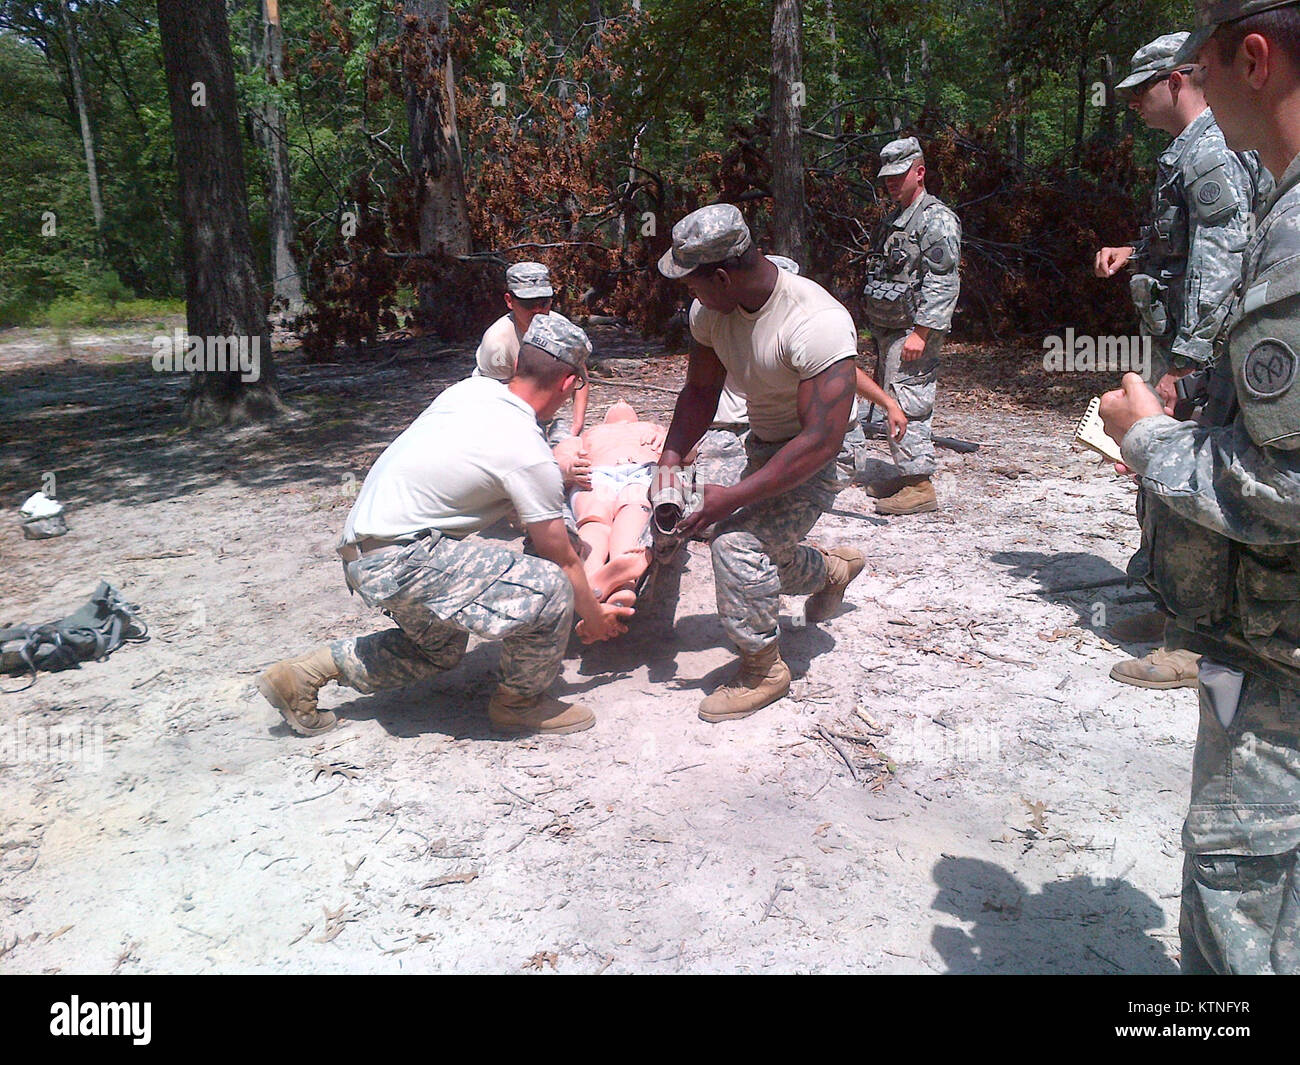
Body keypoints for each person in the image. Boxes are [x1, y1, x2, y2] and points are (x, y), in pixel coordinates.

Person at [1100, 0, 1300, 974]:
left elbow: (1289, 483)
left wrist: (1151, 442)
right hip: (1249, 634)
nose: (1194, 99)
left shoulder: (1288, 224)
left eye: (1201, 73)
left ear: (1250, 60)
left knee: (1237, 896)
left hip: (1277, 657)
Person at [258, 315, 632, 739]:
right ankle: (519, 703)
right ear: (569, 384)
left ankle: (303, 675)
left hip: (362, 550)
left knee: (437, 649)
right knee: (551, 585)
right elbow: (561, 559)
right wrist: (595, 616)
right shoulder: (526, 451)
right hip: (404, 559)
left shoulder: (469, 391)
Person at [1094, 32, 1269, 689]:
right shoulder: (1187, 151)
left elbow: (1223, 253)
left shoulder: (1211, 150)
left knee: (1186, 472)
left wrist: (1187, 360)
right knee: (1157, 470)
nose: (1133, 102)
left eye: (1141, 88)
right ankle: (1170, 605)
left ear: (1176, 79)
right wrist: (1133, 253)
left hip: (1205, 352)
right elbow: (1186, 243)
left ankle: (1195, 640)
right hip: (1180, 341)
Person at [656, 204, 866, 723]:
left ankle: (763, 669)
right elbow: (701, 391)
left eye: (692, 282)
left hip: (824, 452)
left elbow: (822, 438)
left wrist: (732, 498)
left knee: (736, 542)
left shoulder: (814, 321)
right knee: (757, 544)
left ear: (723, 276)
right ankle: (831, 571)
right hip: (769, 442)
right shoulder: (711, 313)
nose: (688, 293)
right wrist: (669, 460)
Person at [860, 136, 962, 515]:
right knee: (894, 398)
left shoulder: (936, 219)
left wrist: (922, 332)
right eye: (886, 175)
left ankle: (919, 485)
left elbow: (944, 280)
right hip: (891, 327)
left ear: (919, 173)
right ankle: (906, 474)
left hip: (913, 330)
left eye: (899, 174)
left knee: (909, 400)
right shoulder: (895, 220)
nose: (891, 181)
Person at [552, 401, 674, 614]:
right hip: (595, 473)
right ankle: (622, 581)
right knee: (595, 516)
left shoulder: (655, 429)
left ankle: (598, 583)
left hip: (641, 469)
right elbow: (559, 455)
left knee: (629, 508)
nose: (621, 402)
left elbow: (689, 452)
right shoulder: (589, 434)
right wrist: (570, 465)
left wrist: (669, 441)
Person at [475, 261, 588, 440]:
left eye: (543, 303)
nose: (537, 311)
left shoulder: (560, 328)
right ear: (509, 301)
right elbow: (497, 401)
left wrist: (577, 424)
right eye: (528, 304)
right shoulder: (497, 343)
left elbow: (579, 372)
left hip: (538, 402)